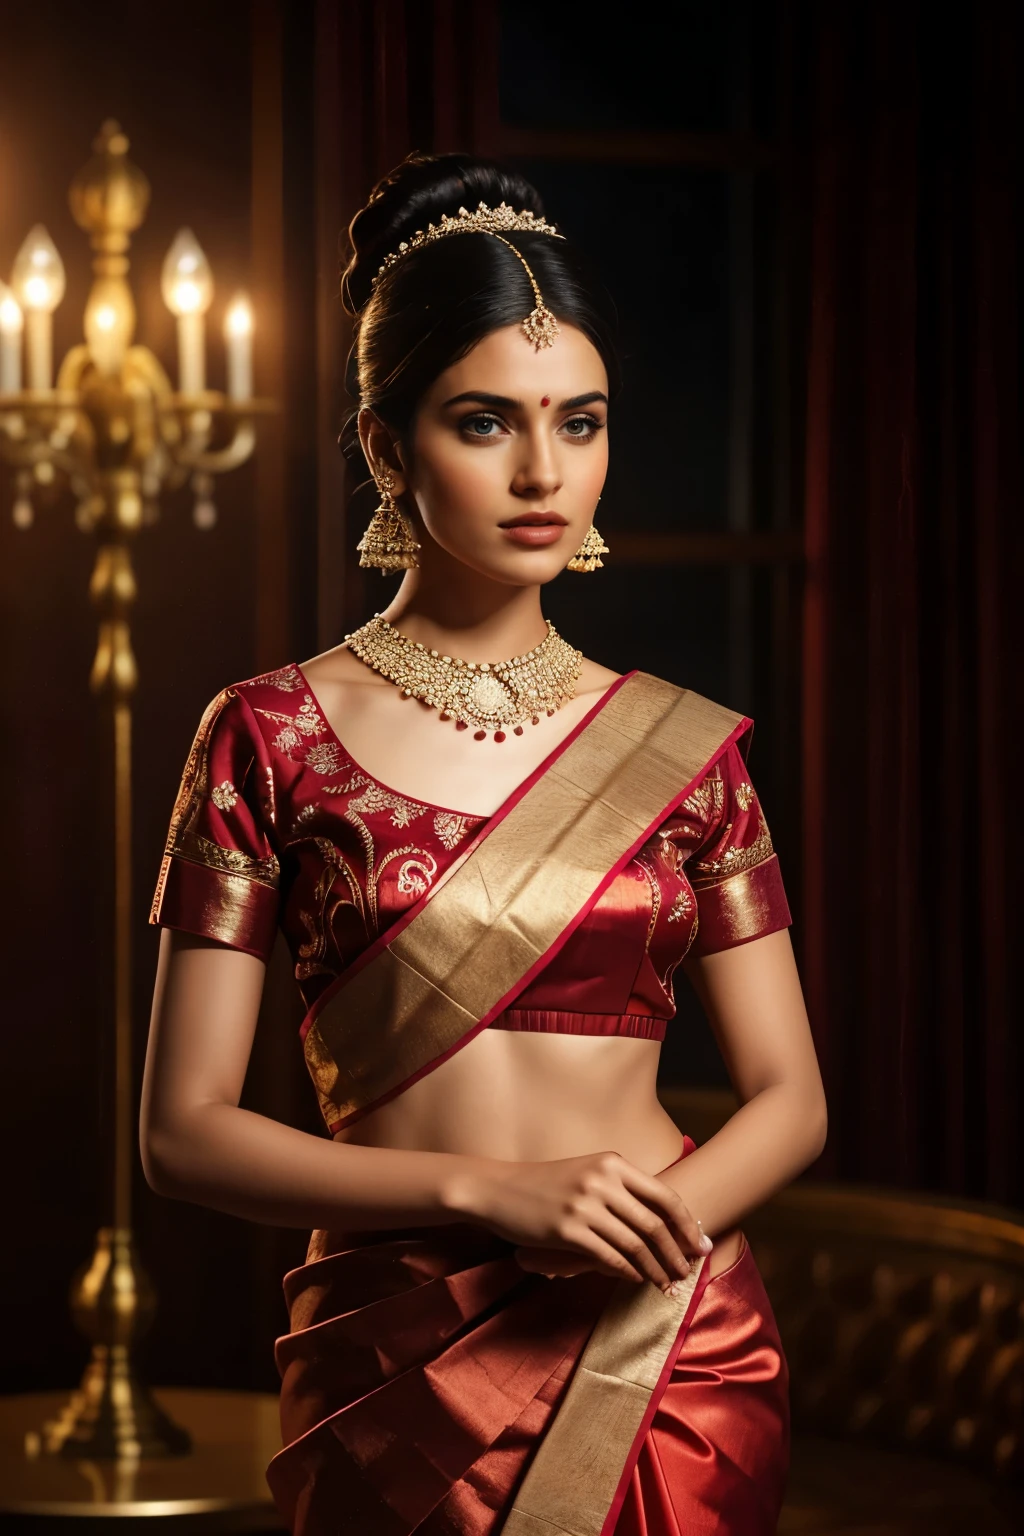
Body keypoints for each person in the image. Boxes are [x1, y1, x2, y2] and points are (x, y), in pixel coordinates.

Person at [142, 152, 827, 1536]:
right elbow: (184, 1133)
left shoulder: (686, 749)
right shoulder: (268, 737)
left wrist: (643, 1238)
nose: (543, 473)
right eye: (485, 423)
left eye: (580, 423)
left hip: (665, 1348)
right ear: (389, 445)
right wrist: (490, 1194)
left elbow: (791, 1102)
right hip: (400, 1354)